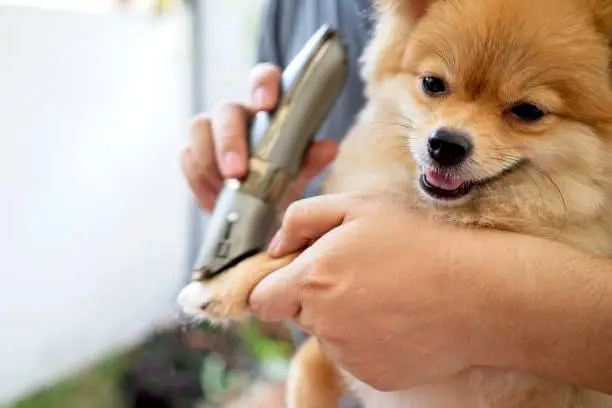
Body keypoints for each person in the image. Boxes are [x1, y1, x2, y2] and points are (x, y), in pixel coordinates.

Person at [182, 0, 612, 403]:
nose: (452, 130)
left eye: (528, 112)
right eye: (435, 84)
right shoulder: (297, 10)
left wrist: (490, 295)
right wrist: (268, 201)